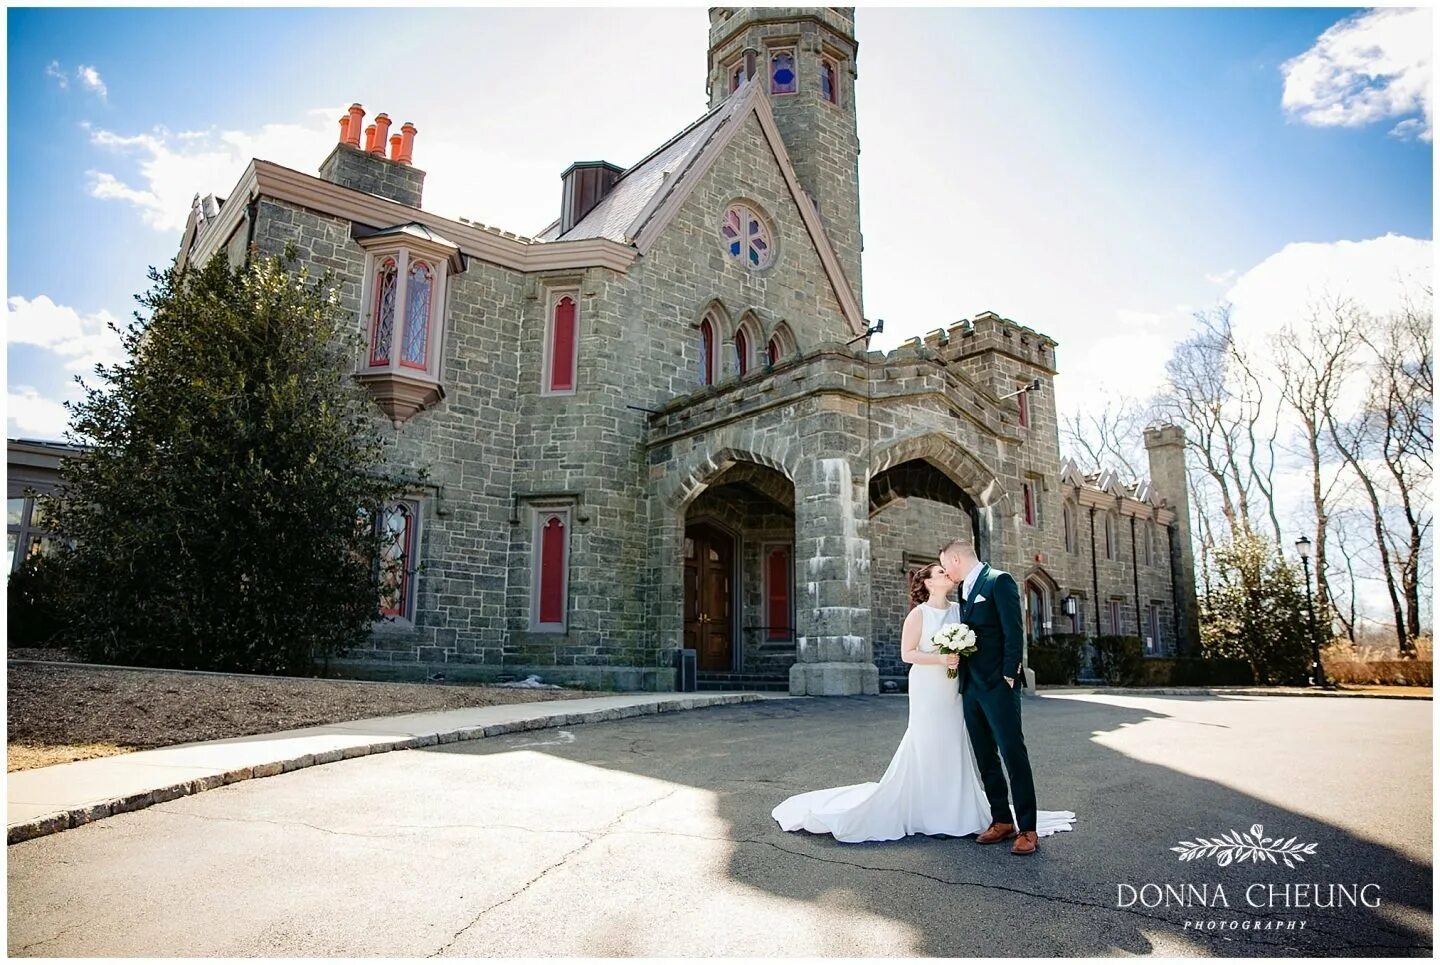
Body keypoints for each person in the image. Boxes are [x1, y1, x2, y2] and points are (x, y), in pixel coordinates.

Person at [771, 559, 1076, 847]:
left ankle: (957, 809)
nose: (947, 575)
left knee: (953, 744)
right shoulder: (918, 614)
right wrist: (941, 657)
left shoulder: (960, 611)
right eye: (940, 573)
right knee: (927, 742)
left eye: (947, 571)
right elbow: (908, 654)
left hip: (955, 688)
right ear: (928, 583)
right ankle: (926, 810)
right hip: (928, 687)